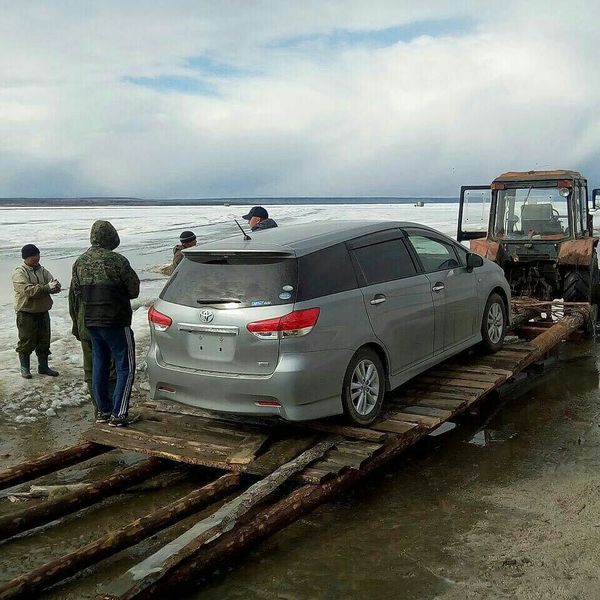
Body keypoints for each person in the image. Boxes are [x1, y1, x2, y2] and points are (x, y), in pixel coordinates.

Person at [70, 220, 140, 427]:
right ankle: (119, 414)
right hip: (116, 321)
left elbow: (76, 292)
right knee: (125, 367)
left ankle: (103, 411)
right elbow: (133, 289)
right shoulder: (117, 260)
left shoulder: (79, 262)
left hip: (91, 322)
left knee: (99, 366)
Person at [12, 244, 61, 379]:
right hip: (26, 313)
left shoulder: (42, 270)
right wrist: (46, 288)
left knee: (44, 341)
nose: (36, 258)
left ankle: (43, 367)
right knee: (26, 341)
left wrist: (56, 287)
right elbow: (29, 291)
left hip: (43, 311)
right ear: (26, 258)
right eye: (33, 256)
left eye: (37, 255)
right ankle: (25, 368)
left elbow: (53, 283)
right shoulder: (19, 272)